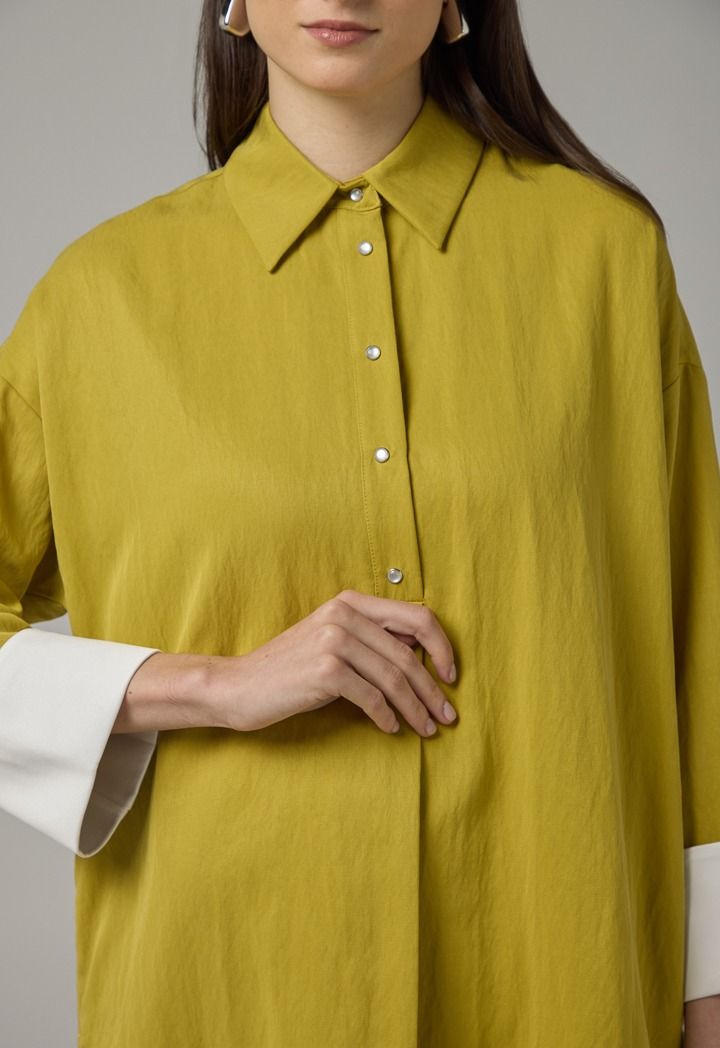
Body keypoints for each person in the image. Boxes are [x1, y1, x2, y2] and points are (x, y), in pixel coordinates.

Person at [1, 0, 718, 1044]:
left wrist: (709, 982)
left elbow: (700, 640)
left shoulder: (606, 258)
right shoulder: (95, 300)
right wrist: (215, 686)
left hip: (552, 965)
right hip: (229, 985)